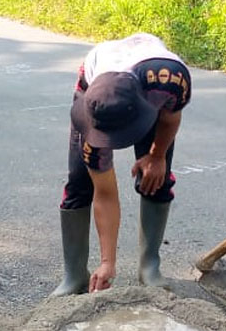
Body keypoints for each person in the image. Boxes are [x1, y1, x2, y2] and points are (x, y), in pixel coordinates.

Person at [52, 33, 192, 296]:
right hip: (95, 82)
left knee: (156, 177)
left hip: (147, 82)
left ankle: (149, 266)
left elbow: (170, 119)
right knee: (79, 182)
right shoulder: (91, 110)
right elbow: (105, 194)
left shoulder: (170, 80)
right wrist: (108, 263)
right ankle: (74, 275)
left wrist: (157, 155)